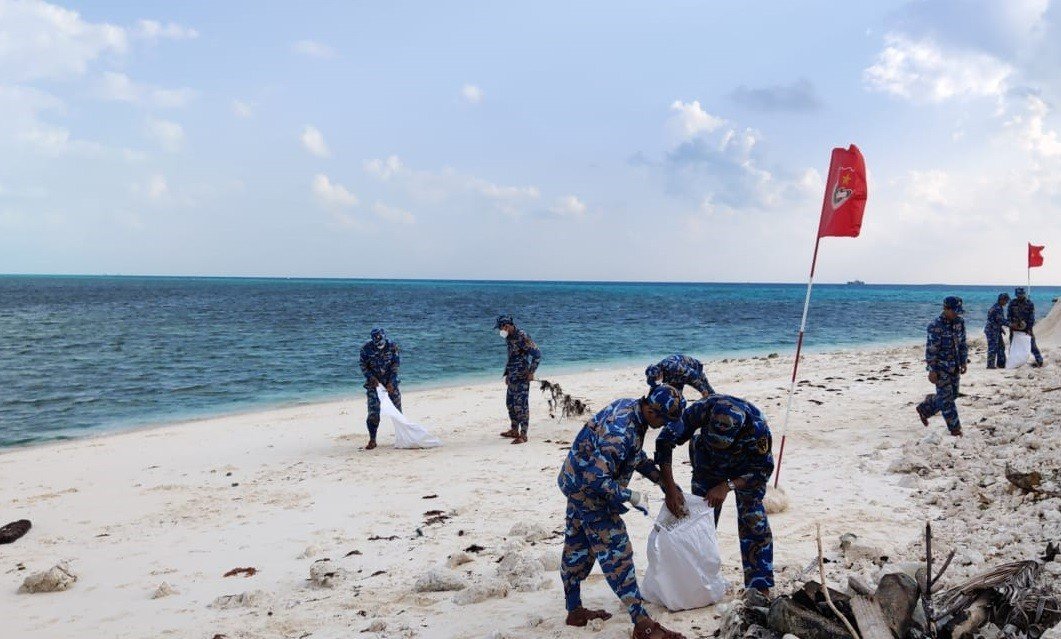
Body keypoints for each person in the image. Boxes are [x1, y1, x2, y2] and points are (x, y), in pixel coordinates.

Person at [557, 384, 687, 639]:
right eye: (665, 420)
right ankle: (642, 625)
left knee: (577, 547)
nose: (664, 425)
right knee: (618, 551)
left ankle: (574, 611)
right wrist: (632, 496)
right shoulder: (620, 432)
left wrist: (664, 482)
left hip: (574, 480)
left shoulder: (632, 409)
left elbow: (634, 456)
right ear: (652, 411)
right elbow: (597, 478)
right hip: (587, 491)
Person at [654, 394, 774, 595]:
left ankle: (759, 585)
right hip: (706, 463)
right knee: (699, 521)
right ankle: (696, 582)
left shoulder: (757, 429)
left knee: (753, 520)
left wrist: (727, 486)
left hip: (745, 467)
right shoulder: (700, 410)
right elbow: (665, 441)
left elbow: (761, 471)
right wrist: (670, 487)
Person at [916, 296, 967, 436]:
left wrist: (963, 362)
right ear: (946, 309)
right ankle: (955, 429)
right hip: (940, 368)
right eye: (954, 311)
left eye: (958, 311)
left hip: (955, 366)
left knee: (953, 395)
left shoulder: (959, 322)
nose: (957, 314)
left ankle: (925, 408)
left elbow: (962, 344)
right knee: (947, 400)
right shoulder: (935, 326)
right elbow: (931, 350)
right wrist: (932, 370)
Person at [495, 315, 541, 444]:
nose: (500, 330)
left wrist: (531, 372)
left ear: (507, 326)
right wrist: (507, 374)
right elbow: (511, 356)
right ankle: (514, 430)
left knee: (521, 406)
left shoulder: (522, 336)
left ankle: (523, 434)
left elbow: (537, 354)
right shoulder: (509, 337)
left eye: (500, 327)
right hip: (512, 377)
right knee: (510, 404)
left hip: (522, 377)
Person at [359, 327, 401, 450]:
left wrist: (392, 382)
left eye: (381, 341)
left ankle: (402, 437)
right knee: (373, 413)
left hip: (390, 383)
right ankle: (372, 439)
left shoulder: (393, 346)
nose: (379, 344)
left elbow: (395, 365)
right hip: (374, 385)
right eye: (377, 342)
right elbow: (363, 366)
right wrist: (371, 377)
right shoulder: (365, 349)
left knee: (397, 412)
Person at [645, 354, 716, 398]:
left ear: (660, 374)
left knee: (709, 393)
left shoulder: (673, 366)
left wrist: (702, 390)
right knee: (675, 398)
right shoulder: (655, 372)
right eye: (653, 380)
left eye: (655, 380)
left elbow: (693, 375)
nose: (656, 382)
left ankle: (716, 402)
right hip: (675, 378)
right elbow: (654, 387)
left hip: (693, 370)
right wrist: (648, 399)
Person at [1007, 287, 1044, 367]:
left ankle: (1039, 361)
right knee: (1014, 346)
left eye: (1021, 294)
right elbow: (1009, 316)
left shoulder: (1029, 303)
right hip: (1014, 328)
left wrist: (1029, 328)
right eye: (1018, 294)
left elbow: (1032, 317)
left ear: (1024, 294)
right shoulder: (1012, 303)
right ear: (1016, 294)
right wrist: (1012, 324)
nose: (1020, 296)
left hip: (1026, 328)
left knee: (1032, 345)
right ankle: (1014, 362)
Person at [984, 293, 1009, 369]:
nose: (1006, 302)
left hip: (996, 329)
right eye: (1006, 301)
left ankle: (1001, 364)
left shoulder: (998, 307)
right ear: (1001, 300)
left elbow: (995, 320)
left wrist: (1001, 329)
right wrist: (1011, 325)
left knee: (1001, 346)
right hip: (992, 330)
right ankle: (990, 365)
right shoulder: (997, 308)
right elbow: (1000, 320)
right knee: (993, 347)